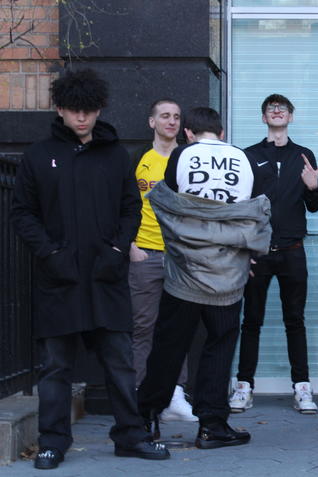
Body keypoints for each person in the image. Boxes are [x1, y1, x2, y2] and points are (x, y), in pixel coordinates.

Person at [10, 69, 170, 470]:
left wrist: (117, 250)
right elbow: (22, 213)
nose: (81, 117)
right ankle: (52, 442)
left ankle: (131, 436)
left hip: (106, 276)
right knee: (55, 366)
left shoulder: (115, 156)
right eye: (73, 109)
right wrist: (49, 253)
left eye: (88, 110)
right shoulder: (38, 155)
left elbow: (131, 208)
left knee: (120, 361)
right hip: (58, 278)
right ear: (60, 109)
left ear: (99, 110)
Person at [137, 107, 271, 449]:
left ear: (188, 134)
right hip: (228, 274)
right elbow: (254, 215)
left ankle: (147, 417)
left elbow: (168, 207)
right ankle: (212, 425)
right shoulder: (244, 159)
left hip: (185, 271)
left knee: (169, 346)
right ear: (222, 133)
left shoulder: (181, 156)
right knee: (220, 346)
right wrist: (245, 255)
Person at [230, 94, 318, 414]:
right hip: (258, 252)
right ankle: (244, 386)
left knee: (295, 320)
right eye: (272, 108)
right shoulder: (249, 156)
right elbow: (239, 205)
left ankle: (302, 387)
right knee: (251, 321)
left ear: (291, 117)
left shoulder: (303, 155)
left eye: (283, 108)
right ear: (264, 117)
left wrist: (312, 187)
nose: (278, 111)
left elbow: (314, 206)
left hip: (293, 252)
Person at [128, 98, 196, 422]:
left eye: (176, 117)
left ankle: (175, 394)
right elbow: (123, 203)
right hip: (146, 252)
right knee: (144, 327)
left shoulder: (189, 158)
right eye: (165, 116)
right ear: (152, 122)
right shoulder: (139, 159)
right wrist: (131, 246)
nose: (171, 121)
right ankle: (141, 396)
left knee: (178, 328)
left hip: (180, 255)